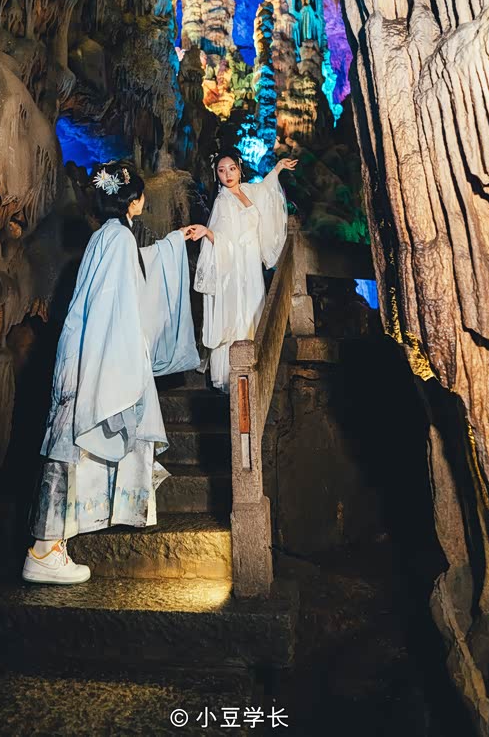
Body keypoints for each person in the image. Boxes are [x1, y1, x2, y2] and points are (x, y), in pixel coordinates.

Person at [22, 163, 198, 584]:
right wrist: (115, 367)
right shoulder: (119, 239)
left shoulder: (107, 235)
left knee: (66, 445)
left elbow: (131, 279)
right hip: (97, 356)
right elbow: (113, 302)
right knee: (69, 446)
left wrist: (174, 242)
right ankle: (43, 551)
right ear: (133, 200)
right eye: (141, 195)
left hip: (84, 352)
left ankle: (49, 547)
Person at [188, 149, 298, 392]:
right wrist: (207, 233)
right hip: (235, 268)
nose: (227, 174)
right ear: (216, 175)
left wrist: (278, 168)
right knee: (239, 312)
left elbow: (267, 190)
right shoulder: (222, 201)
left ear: (239, 169)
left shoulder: (249, 190)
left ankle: (257, 369)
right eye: (221, 171)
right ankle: (235, 376)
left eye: (231, 169)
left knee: (255, 308)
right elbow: (223, 236)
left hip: (251, 264)